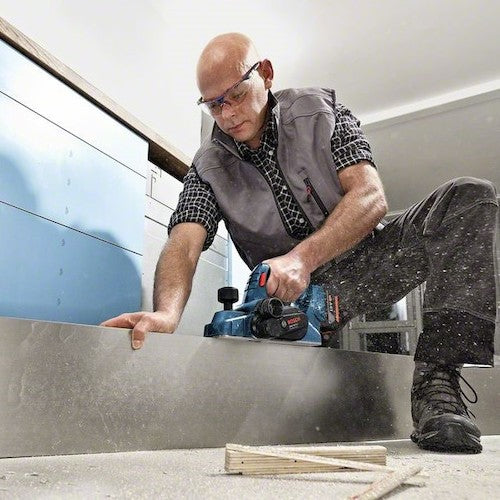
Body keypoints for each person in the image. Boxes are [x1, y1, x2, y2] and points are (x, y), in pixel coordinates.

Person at [103, 33, 498, 454]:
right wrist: (166, 313)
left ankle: (436, 383)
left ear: (266, 74)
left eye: (236, 95)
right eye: (214, 105)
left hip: (369, 263)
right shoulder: (208, 166)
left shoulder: (321, 112)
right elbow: (184, 241)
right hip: (293, 298)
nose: (227, 114)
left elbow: (370, 196)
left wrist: (301, 258)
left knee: (469, 196)